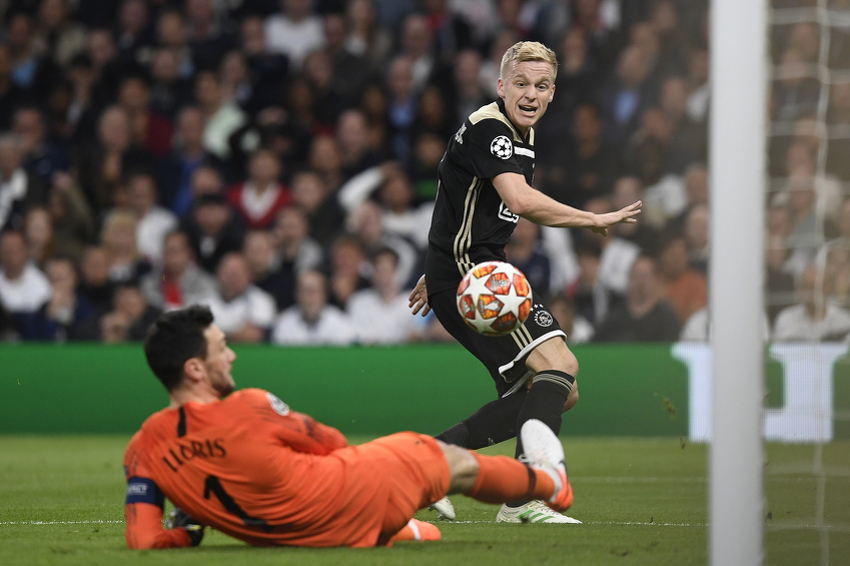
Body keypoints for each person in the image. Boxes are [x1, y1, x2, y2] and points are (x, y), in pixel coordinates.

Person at [408, 41, 641, 523]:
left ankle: (434, 466)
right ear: (501, 86)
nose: (530, 94)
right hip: (476, 278)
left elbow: (454, 195)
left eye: (540, 86)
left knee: (556, 387)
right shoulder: (491, 129)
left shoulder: (521, 135)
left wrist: (433, 267)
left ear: (552, 93)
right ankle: (528, 492)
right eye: (520, 83)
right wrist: (590, 217)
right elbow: (522, 199)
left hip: (476, 271)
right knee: (560, 365)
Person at [124, 305, 573, 548]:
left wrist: (190, 530)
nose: (232, 355)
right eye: (222, 348)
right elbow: (333, 444)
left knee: (425, 532)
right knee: (449, 461)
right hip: (361, 490)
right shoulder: (250, 406)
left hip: (317, 538)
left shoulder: (143, 447)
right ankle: (547, 482)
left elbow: (144, 539)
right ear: (196, 370)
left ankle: (405, 525)